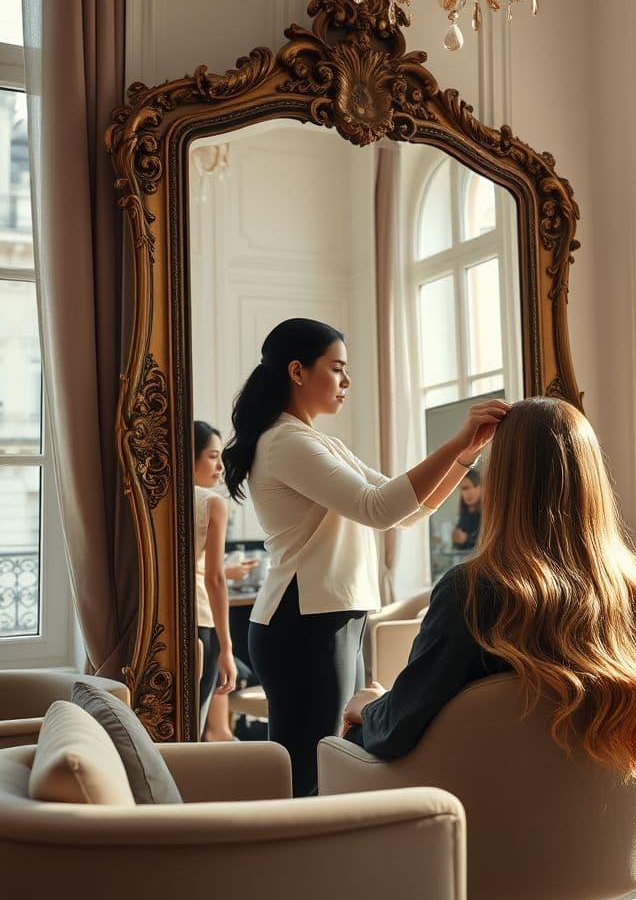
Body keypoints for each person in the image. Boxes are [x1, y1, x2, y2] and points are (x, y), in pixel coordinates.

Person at [342, 396, 636, 780]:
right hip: (612, 813)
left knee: (349, 743)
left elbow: (399, 728)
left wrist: (370, 707)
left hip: (490, 811)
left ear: (501, 484)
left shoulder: (472, 594)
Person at [222, 317, 508, 797]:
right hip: (303, 621)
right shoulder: (285, 442)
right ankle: (291, 845)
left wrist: (466, 454)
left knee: (336, 757)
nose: (347, 381)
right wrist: (459, 441)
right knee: (311, 771)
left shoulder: (319, 442)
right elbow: (380, 509)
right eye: (337, 368)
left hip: (331, 616)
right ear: (297, 371)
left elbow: (407, 510)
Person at [193, 421, 248, 735]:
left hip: (157, 622)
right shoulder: (212, 504)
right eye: (213, 456)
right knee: (194, 724)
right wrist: (227, 649)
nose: (220, 466)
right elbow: (213, 579)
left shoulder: (154, 501)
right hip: (201, 621)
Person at [450, 467, 482, 551]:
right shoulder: (464, 513)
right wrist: (457, 539)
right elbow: (457, 548)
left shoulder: (489, 513)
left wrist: (466, 539)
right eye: (462, 489)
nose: (464, 493)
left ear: (478, 487)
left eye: (466, 488)